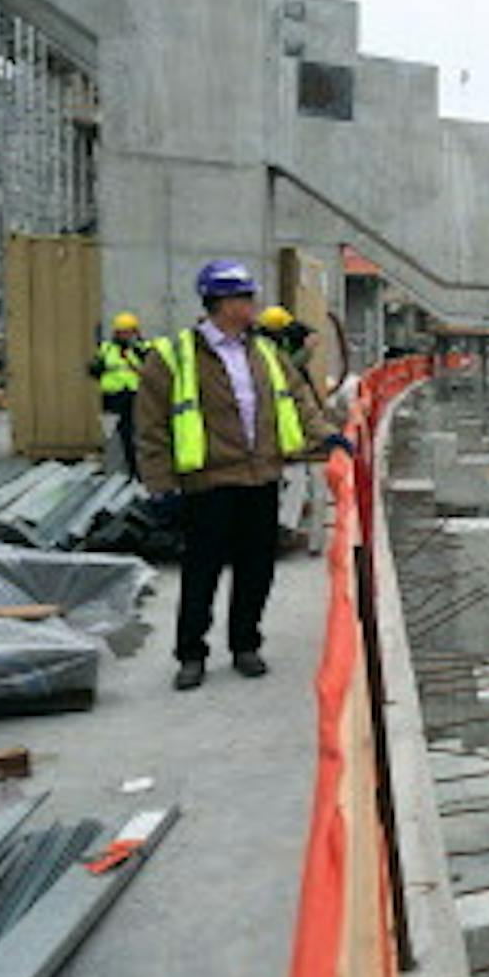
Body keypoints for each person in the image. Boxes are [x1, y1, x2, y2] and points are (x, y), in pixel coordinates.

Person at [136, 261, 348, 691]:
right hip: (209, 483)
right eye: (244, 298)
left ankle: (245, 644)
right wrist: (160, 485)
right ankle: (191, 654)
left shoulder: (266, 353)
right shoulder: (174, 356)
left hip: (261, 477)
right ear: (221, 303)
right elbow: (151, 426)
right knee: (202, 572)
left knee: (256, 569)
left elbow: (300, 402)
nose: (252, 305)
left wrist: (328, 437)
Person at [88, 311, 149, 474]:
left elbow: (150, 368)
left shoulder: (140, 349)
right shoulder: (107, 349)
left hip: (132, 396)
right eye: (123, 331)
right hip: (112, 397)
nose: (126, 335)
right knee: (110, 434)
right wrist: (98, 368)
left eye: (129, 331)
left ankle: (134, 469)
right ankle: (110, 466)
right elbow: (94, 369)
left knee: (132, 434)